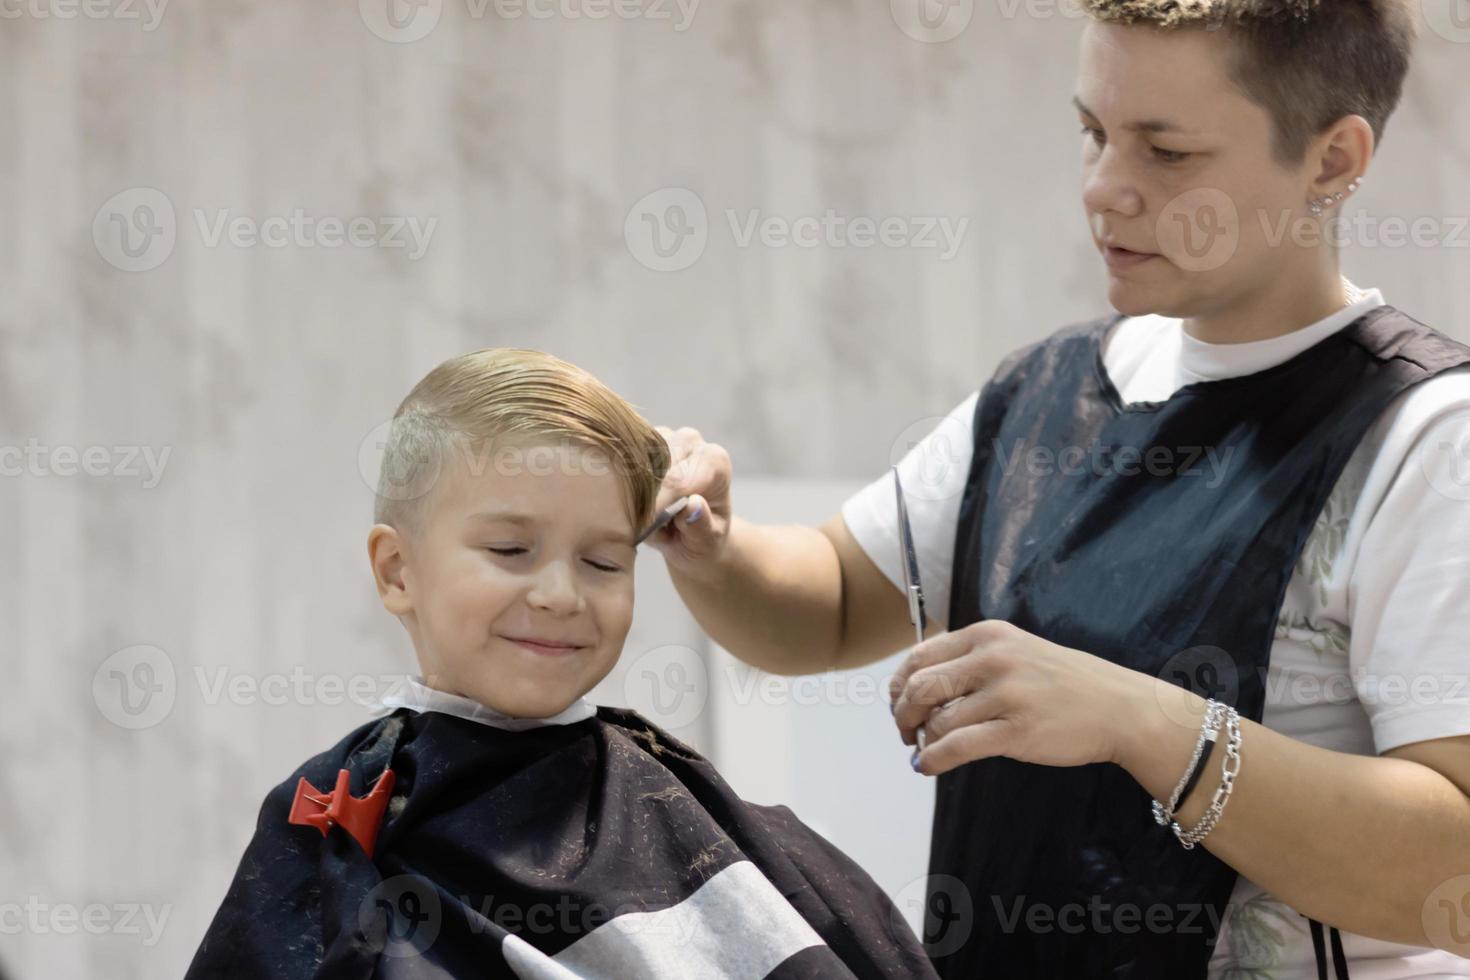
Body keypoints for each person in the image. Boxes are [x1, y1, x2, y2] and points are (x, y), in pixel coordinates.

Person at [645, 1, 1470, 977]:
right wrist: (713, 543)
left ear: (1332, 160)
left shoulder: (1426, 437)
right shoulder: (1045, 392)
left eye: (1166, 153)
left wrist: (1143, 721)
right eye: (1094, 133)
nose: (1105, 189)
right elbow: (821, 607)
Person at [184, 348, 936, 979]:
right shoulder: (342, 807)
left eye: (604, 561)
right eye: (511, 551)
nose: (560, 594)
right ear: (396, 571)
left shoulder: (685, 803)